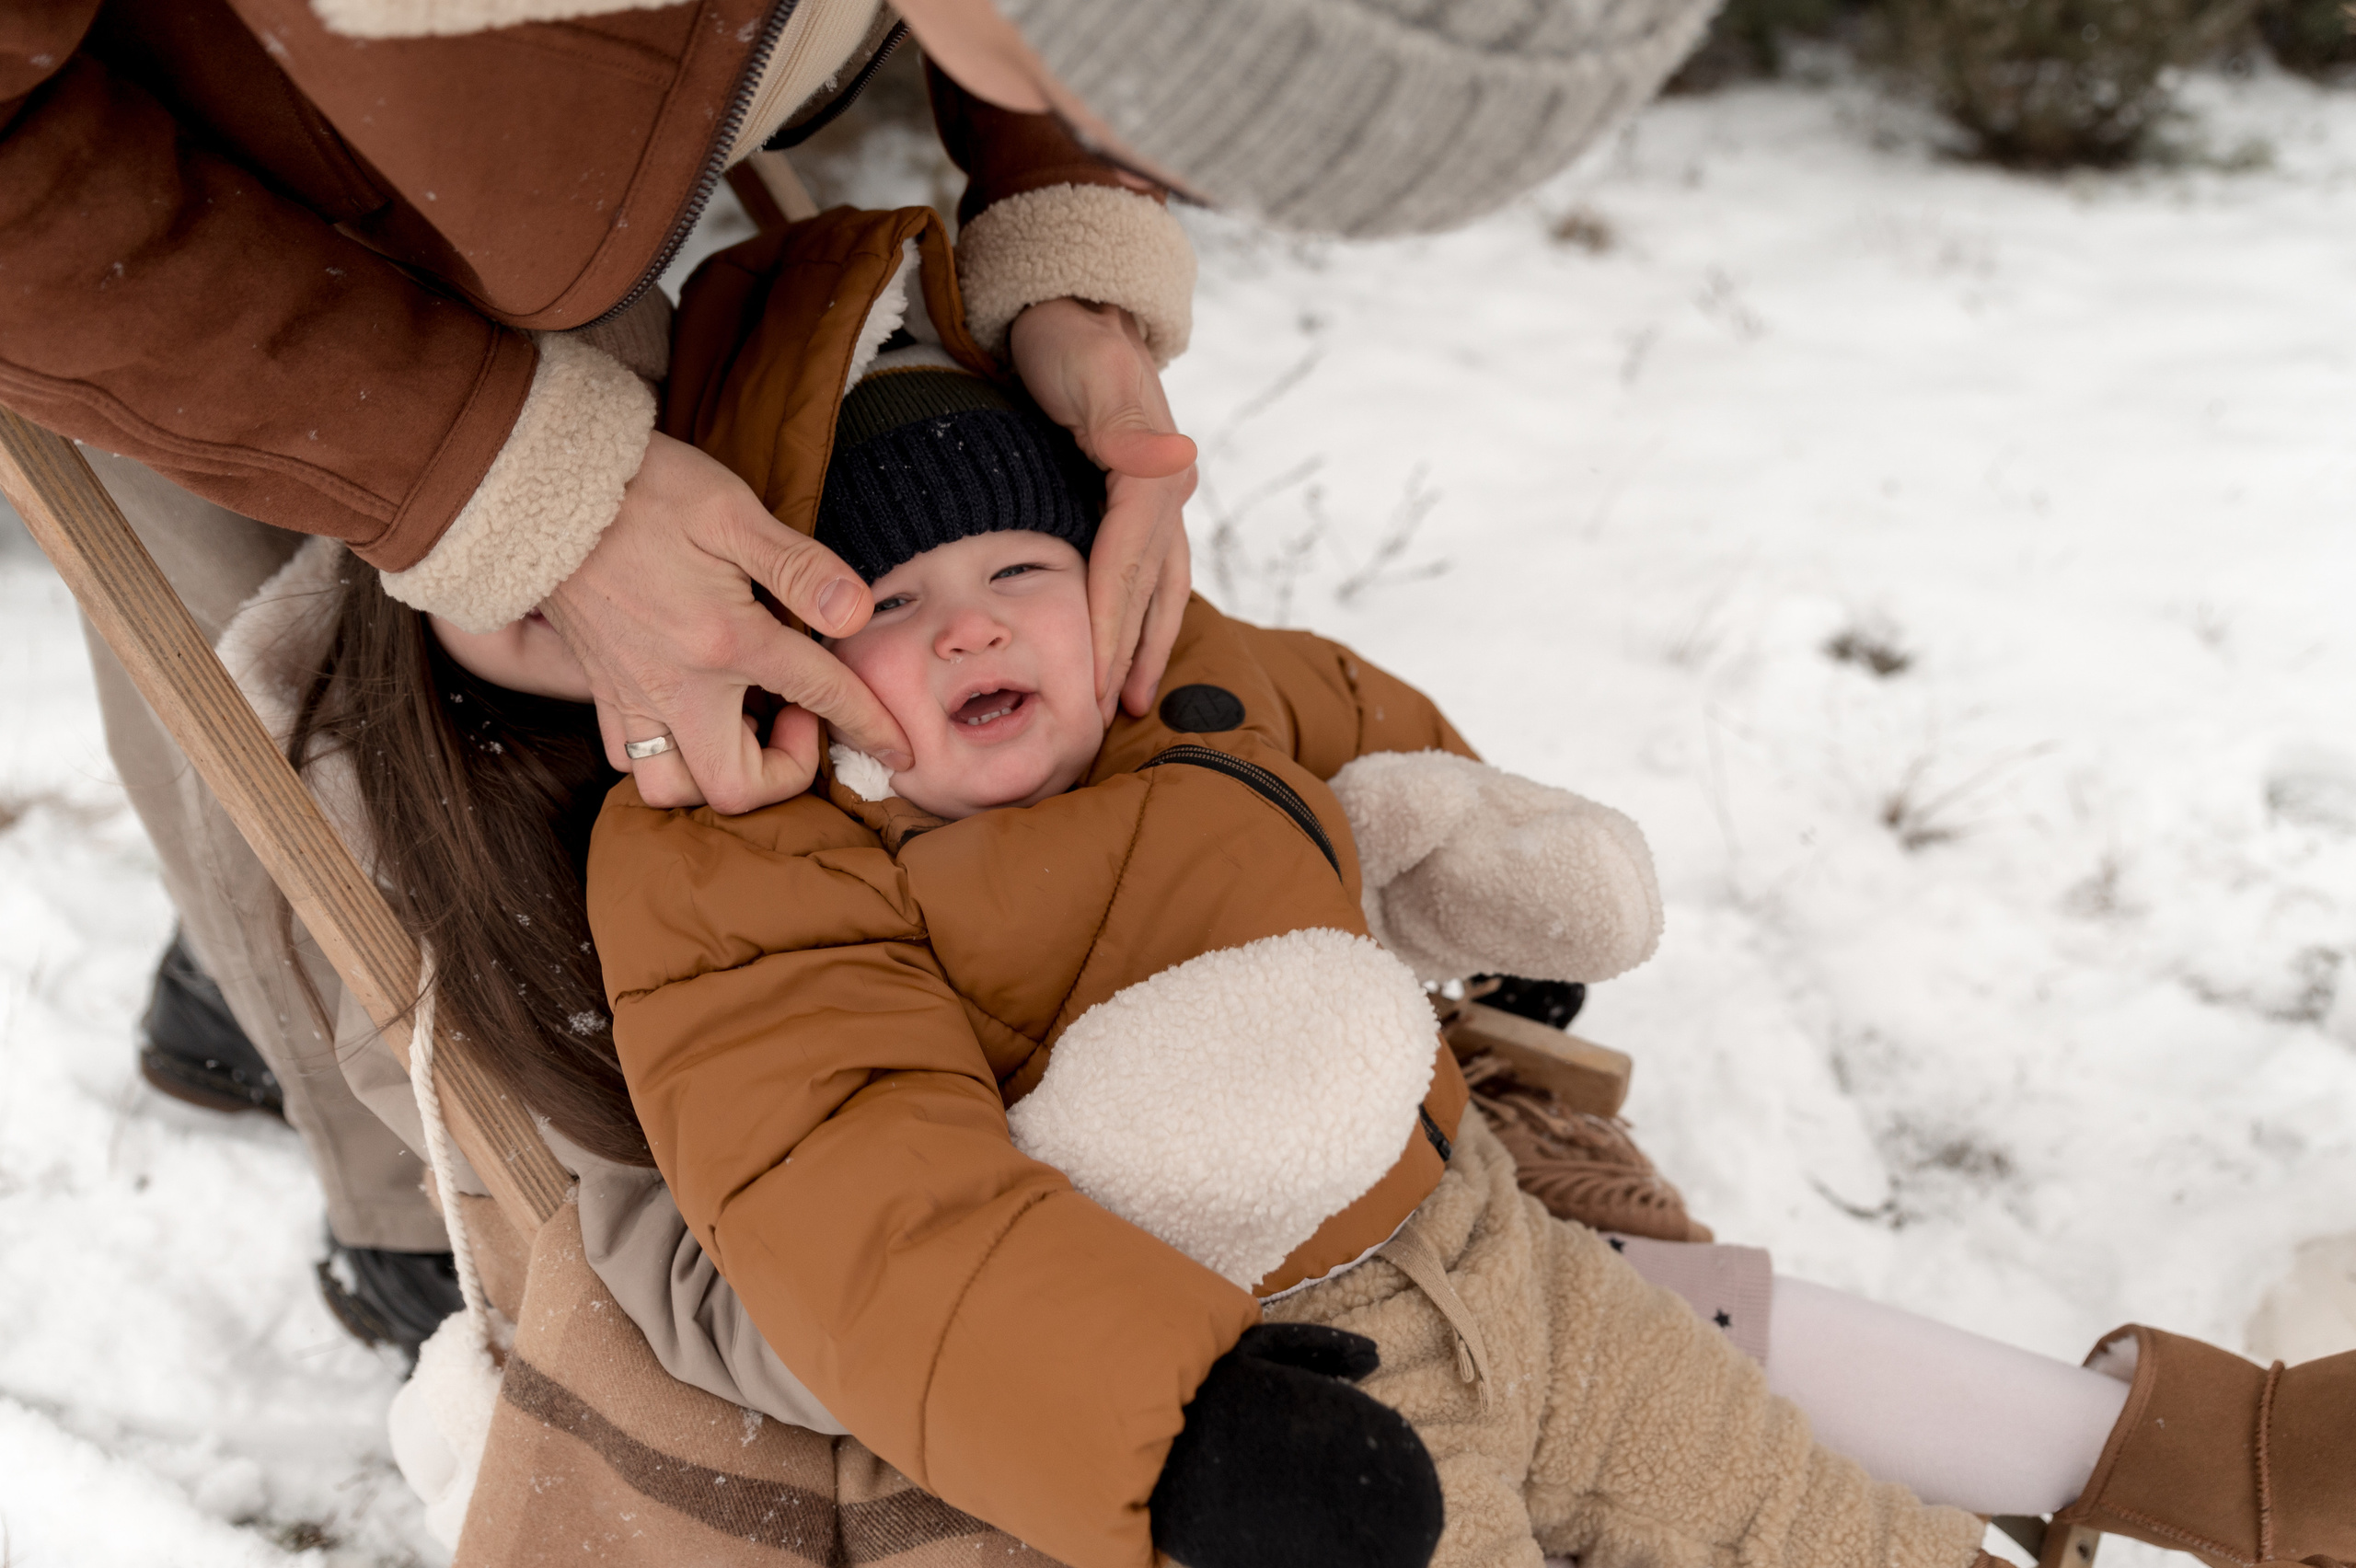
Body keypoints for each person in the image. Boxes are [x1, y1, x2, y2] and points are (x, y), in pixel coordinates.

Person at [573, 208, 2352, 1568]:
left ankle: (2213, 1470)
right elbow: (861, 1200)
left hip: (1503, 1252)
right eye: (882, 605)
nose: (968, 621)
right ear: (772, 643)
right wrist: (1174, 1425)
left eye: (1018, 562)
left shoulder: (1171, 670)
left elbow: (1362, 725)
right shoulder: (753, 864)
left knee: (1800, 1513)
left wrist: (1487, 876)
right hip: (1285, 1381)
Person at [2, 0, 1722, 1350]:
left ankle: (249, 977)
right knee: (337, 711)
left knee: (600, 585)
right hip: (163, 214)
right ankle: (403, 1207)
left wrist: (1065, 214)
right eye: (1143, 109)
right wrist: (477, 478)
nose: (1148, 152)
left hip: (538, 149)